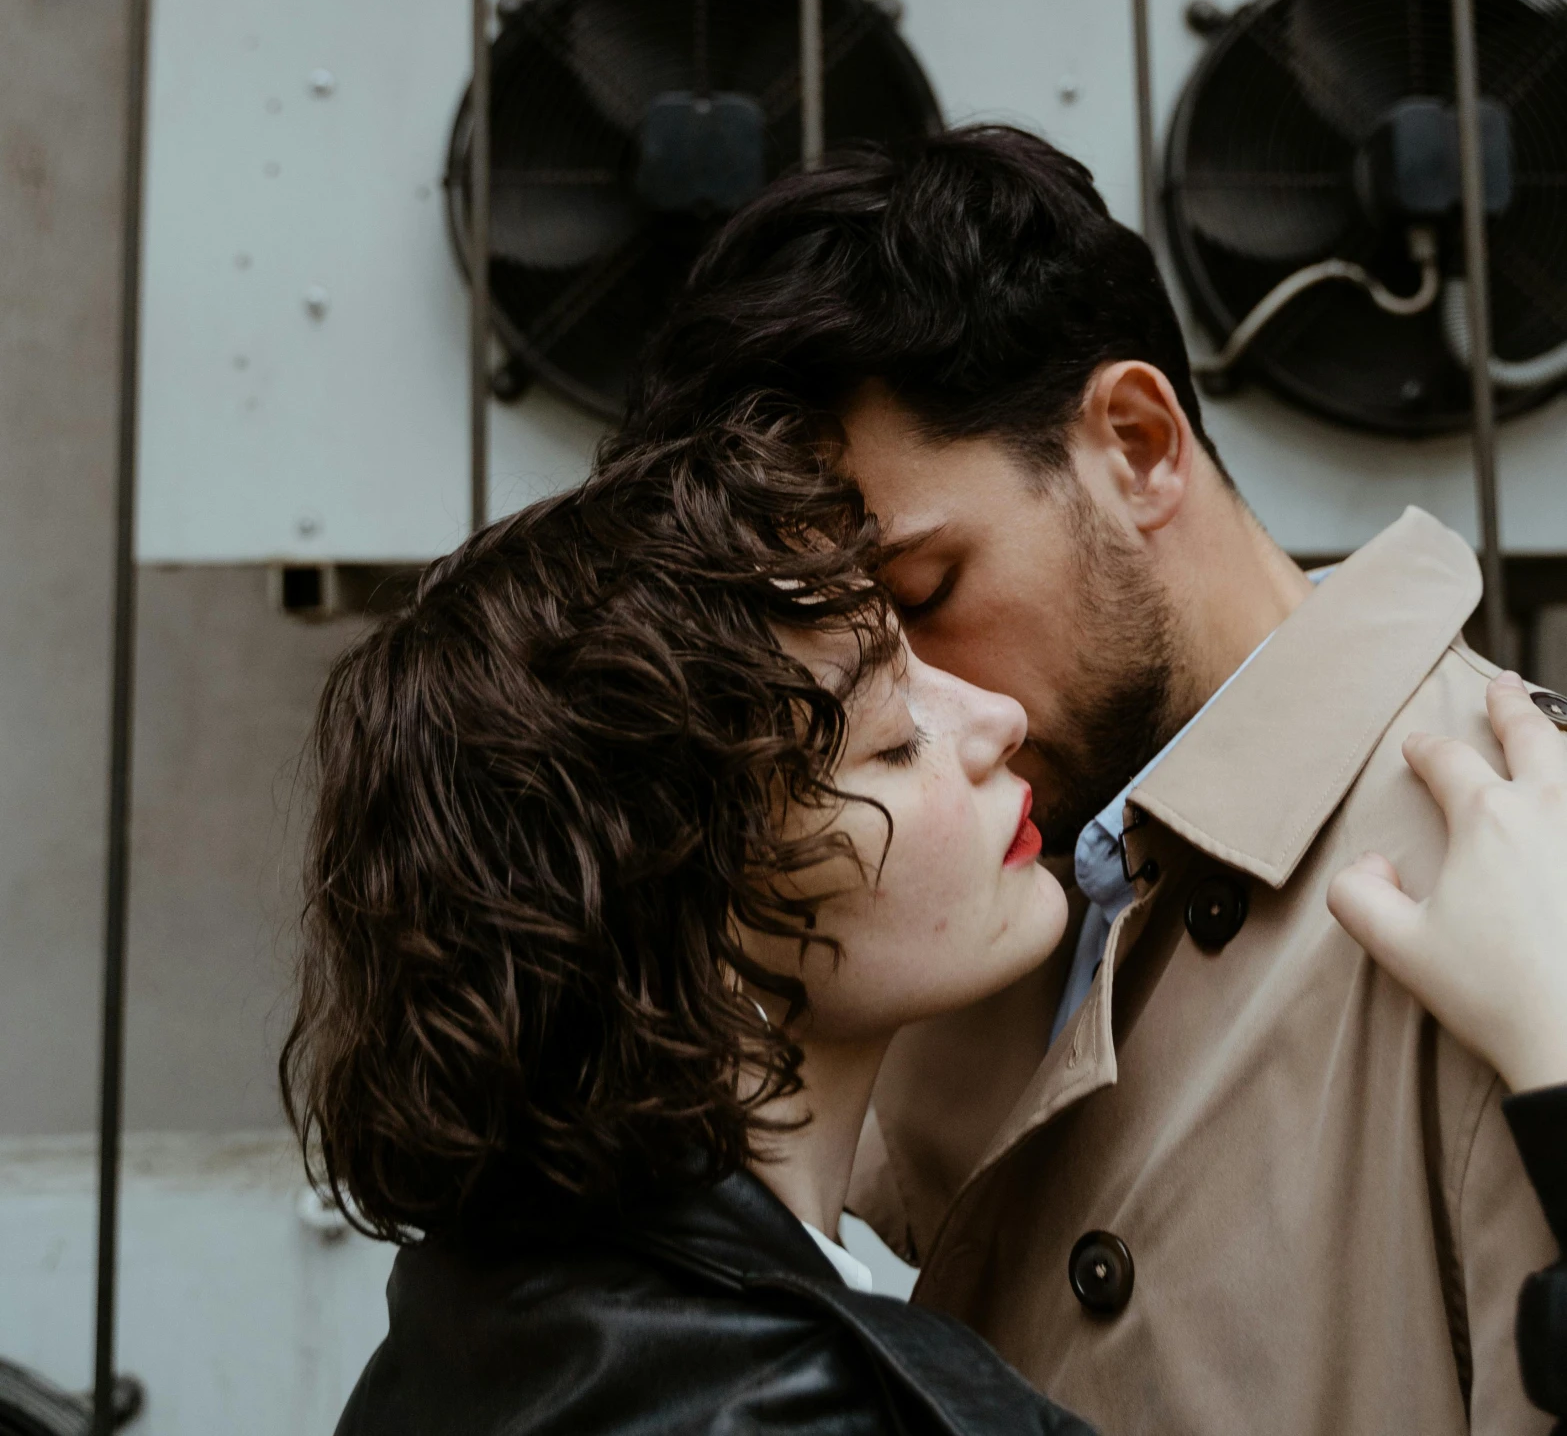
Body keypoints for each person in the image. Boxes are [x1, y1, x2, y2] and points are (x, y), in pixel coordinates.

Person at [283, 408, 1567, 1436]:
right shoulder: (787, 1404)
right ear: (691, 908)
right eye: (896, 740)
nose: (994, 721)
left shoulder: (479, 1320)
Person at [617, 125, 1565, 1436]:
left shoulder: (1517, 853)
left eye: (923, 593)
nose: (925, 708)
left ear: (1135, 441)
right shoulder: (969, 870)